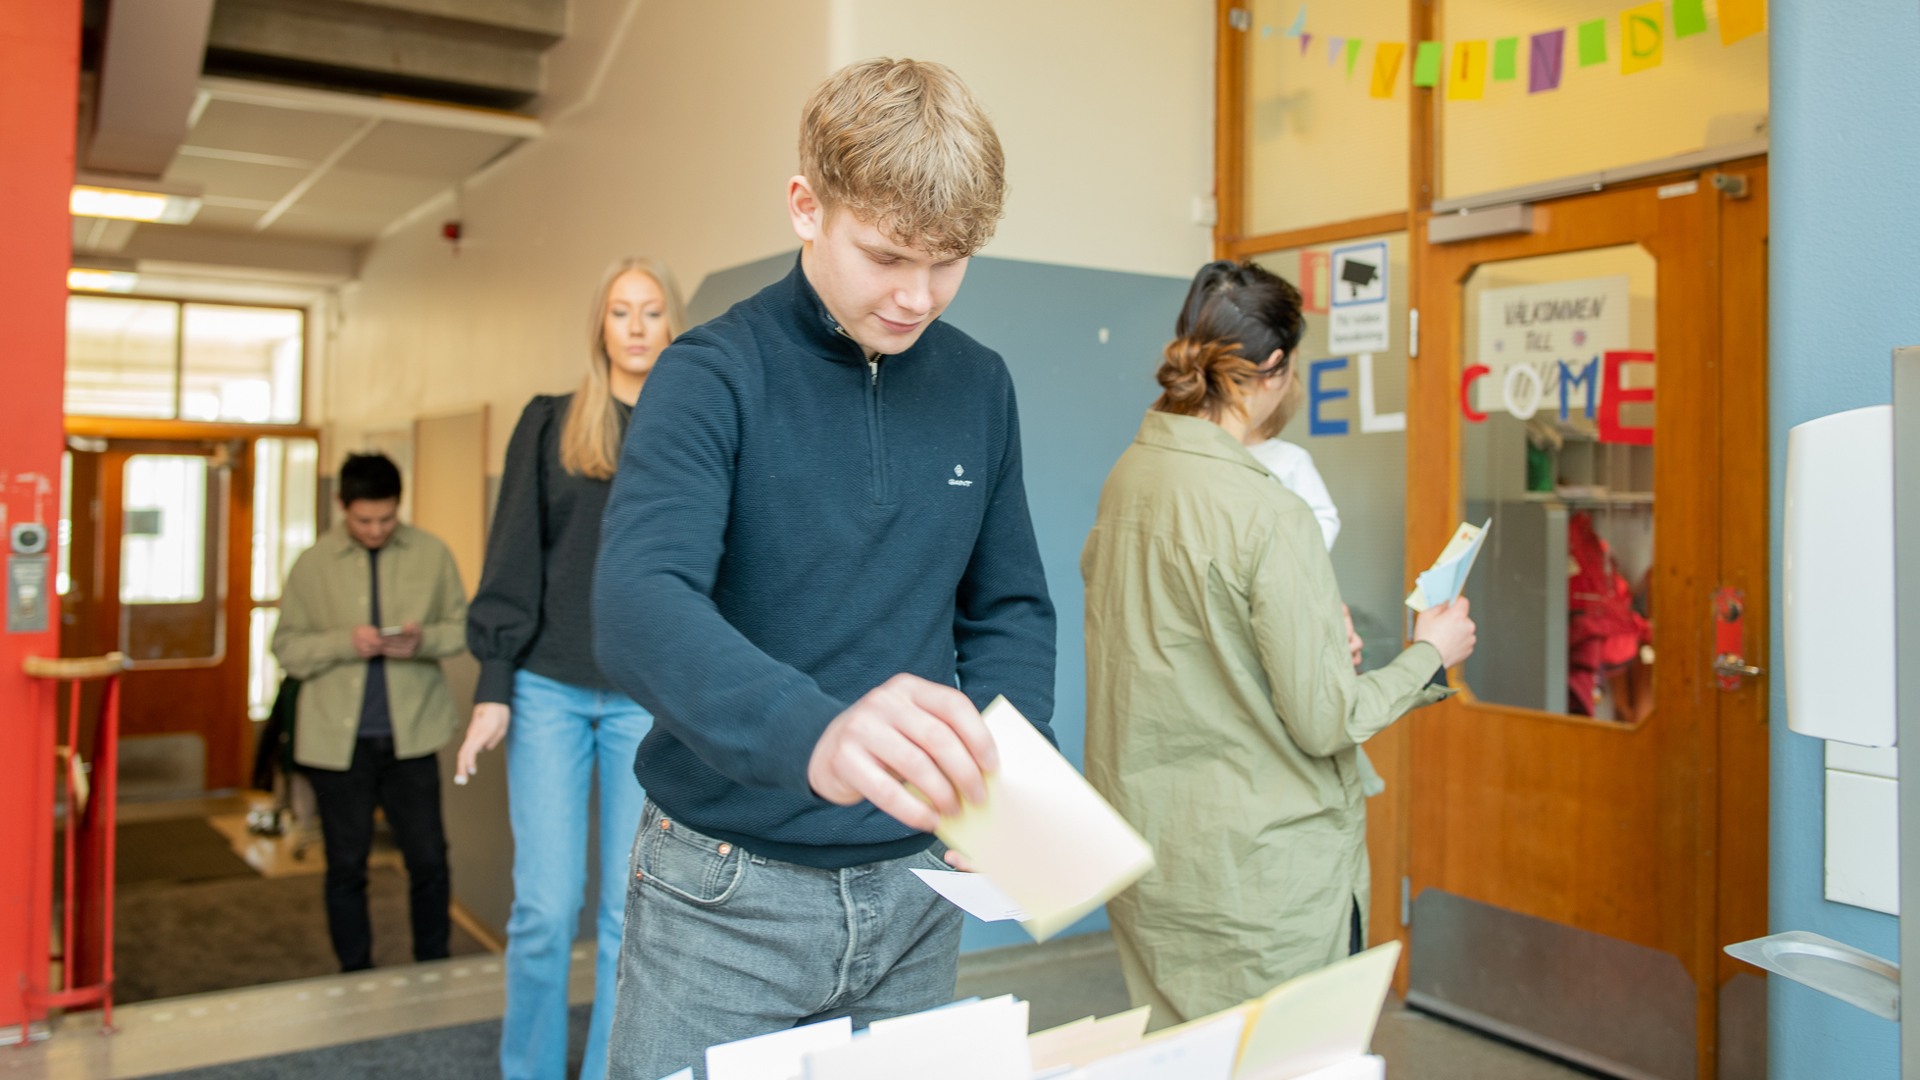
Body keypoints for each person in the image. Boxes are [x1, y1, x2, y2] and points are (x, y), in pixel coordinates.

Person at [591, 58, 1056, 1080]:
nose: (917, 295)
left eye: (950, 261)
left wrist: (1005, 784)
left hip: (916, 894)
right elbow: (637, 602)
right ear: (806, 207)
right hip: (724, 896)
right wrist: (815, 731)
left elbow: (1010, 605)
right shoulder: (710, 374)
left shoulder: (981, 384)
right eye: (887, 255)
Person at [1080, 260, 1476, 1026]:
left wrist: (1308, 643)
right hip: (1261, 882)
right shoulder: (1273, 513)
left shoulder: (1130, 478)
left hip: (1154, 860)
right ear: (1273, 371)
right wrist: (1431, 653)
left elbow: (1175, 651)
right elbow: (1324, 719)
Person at [459, 257, 687, 1080]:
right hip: (549, 693)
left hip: (642, 703)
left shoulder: (693, 426)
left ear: (672, 324)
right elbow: (513, 559)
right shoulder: (552, 421)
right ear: (601, 325)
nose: (634, 326)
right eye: (620, 310)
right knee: (544, 910)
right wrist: (493, 688)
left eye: (650, 311)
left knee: (634, 912)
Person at [273, 452, 469, 972]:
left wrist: (422, 639)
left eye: (387, 518)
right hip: (336, 746)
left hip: (414, 737)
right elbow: (287, 648)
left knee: (428, 861)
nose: (377, 529)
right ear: (342, 507)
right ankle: (354, 973)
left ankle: (434, 967)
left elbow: (463, 630)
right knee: (345, 866)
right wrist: (346, 642)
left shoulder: (432, 554)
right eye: (364, 520)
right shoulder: (312, 564)